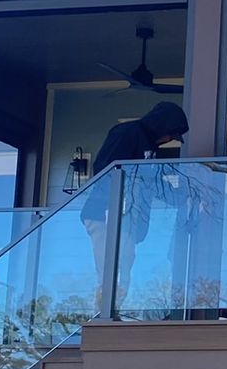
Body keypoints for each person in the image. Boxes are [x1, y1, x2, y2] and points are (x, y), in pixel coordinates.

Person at [81, 101, 189, 299]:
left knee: (124, 266)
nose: (167, 139)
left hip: (128, 219)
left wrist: (182, 195)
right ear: (161, 124)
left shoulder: (150, 148)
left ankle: (114, 313)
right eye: (169, 134)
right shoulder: (127, 132)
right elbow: (104, 168)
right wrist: (123, 195)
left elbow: (153, 183)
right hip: (106, 214)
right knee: (110, 270)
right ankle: (103, 315)